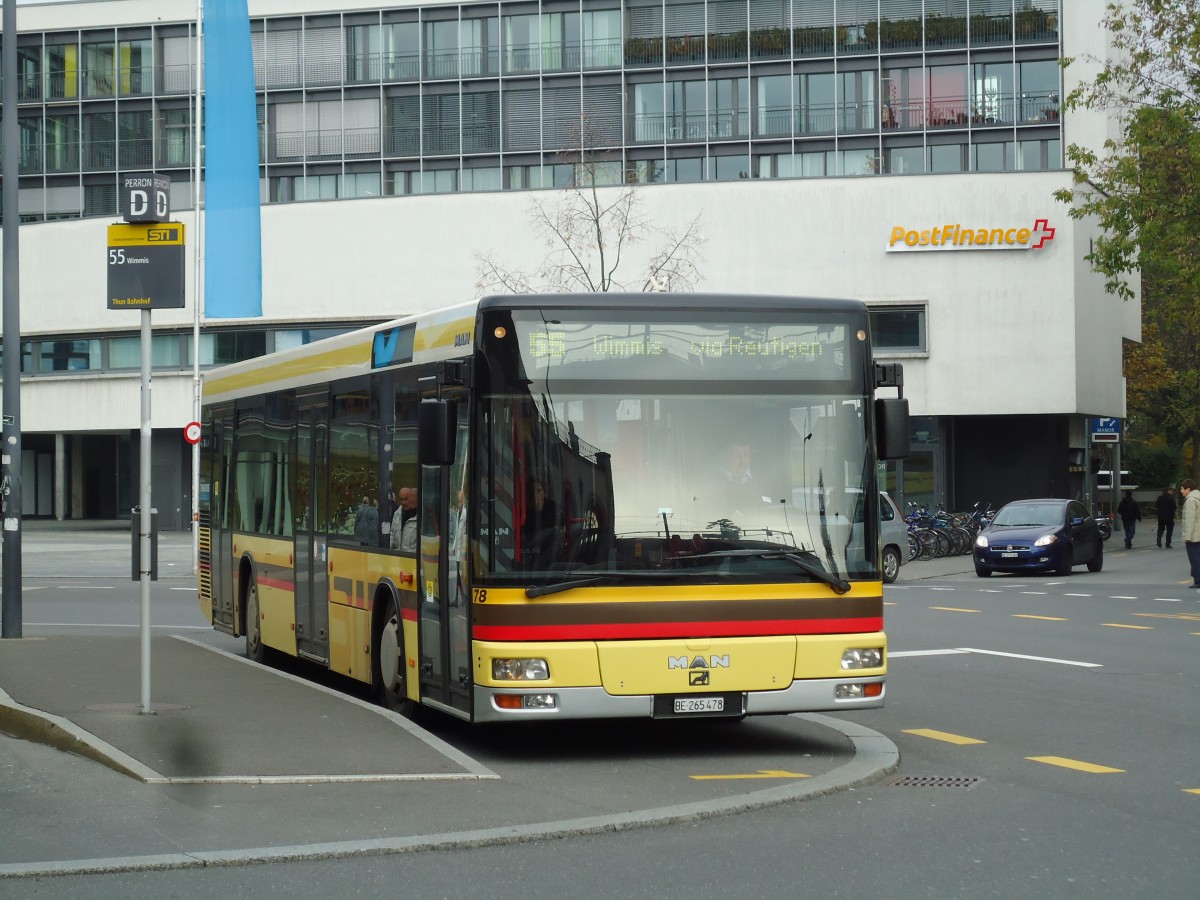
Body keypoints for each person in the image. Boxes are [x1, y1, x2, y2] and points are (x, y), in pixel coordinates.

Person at [1180, 479, 1200, 588]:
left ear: (1188, 489)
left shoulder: (1191, 500)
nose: (1181, 491)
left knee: (1195, 558)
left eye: (1182, 489)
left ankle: (1198, 580)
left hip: (1193, 536)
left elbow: (1190, 520)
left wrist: (1187, 536)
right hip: (1198, 533)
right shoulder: (1198, 498)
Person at [389, 486, 418, 551]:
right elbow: (392, 535)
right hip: (398, 557)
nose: (403, 502)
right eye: (401, 499)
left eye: (406, 499)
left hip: (413, 558)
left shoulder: (423, 517)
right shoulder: (397, 513)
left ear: (415, 498)